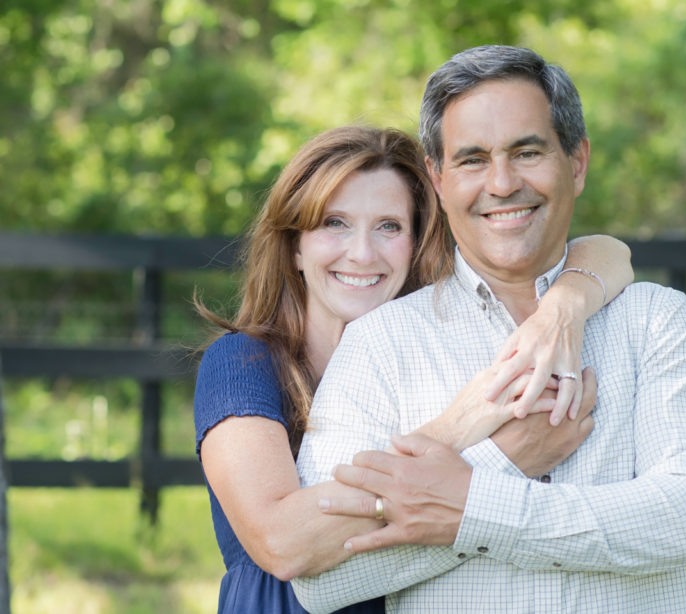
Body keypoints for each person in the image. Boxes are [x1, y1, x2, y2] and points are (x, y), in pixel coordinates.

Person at [292, 46, 686, 613]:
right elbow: (322, 581)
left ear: (577, 162)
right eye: (472, 159)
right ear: (438, 178)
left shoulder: (654, 321)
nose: (501, 183)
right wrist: (501, 464)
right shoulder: (381, 341)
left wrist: (472, 507)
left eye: (527, 151)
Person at [194, 125, 634, 613]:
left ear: (417, 242)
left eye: (388, 226)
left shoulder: (420, 346)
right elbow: (282, 544)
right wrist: (467, 430)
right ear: (295, 245)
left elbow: (610, 252)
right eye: (334, 223)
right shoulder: (243, 363)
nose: (362, 253)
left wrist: (562, 308)